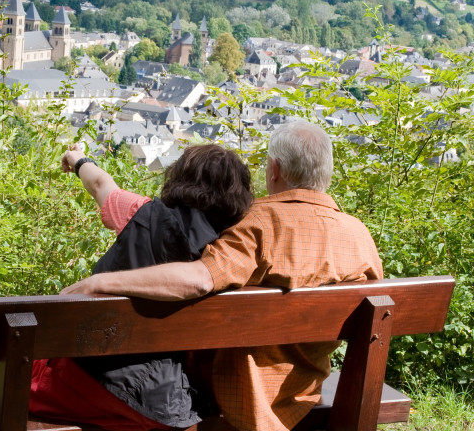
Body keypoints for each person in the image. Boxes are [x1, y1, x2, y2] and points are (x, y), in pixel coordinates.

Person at [60, 121, 384, 431]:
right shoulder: (360, 235)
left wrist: (101, 282)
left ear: (274, 170)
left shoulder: (260, 224)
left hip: (245, 396)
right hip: (307, 386)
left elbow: (201, 279)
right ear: (326, 173)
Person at [28, 143, 254, 430]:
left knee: (26, 374)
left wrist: (77, 160)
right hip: (170, 399)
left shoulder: (141, 213)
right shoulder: (229, 251)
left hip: (95, 384)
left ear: (180, 178)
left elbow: (99, 184)